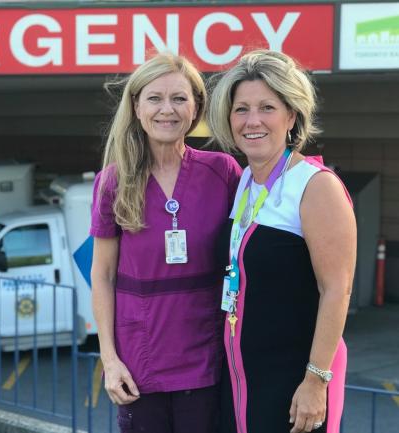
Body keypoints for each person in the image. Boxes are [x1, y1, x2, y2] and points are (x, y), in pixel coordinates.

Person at [90, 52, 242, 433]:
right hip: (139, 362)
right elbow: (103, 275)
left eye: (179, 98)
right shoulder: (113, 182)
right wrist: (109, 360)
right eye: (155, 98)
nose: (167, 110)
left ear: (196, 108)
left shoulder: (222, 172)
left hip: (207, 358)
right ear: (137, 106)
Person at [206, 50, 356, 433]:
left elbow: (336, 289)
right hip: (242, 381)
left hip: (292, 386)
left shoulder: (315, 185)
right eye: (241, 109)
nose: (252, 121)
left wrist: (316, 381)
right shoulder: (244, 181)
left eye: (267, 107)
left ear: (291, 116)